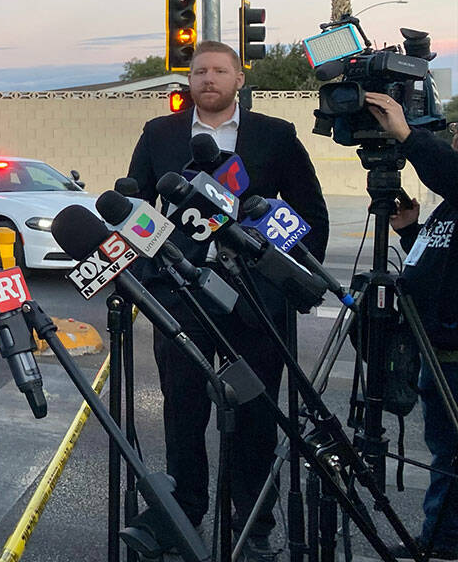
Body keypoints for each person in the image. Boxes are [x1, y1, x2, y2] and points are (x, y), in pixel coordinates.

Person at [127, 41, 330, 562]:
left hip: (256, 303)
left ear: (240, 78)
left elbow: (310, 214)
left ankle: (255, 517)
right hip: (181, 296)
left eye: (220, 70)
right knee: (184, 412)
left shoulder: (274, 136)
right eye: (199, 72)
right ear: (189, 80)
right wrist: (154, 274)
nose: (208, 79)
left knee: (255, 412)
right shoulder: (160, 134)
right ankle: (185, 510)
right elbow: (137, 208)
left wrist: (286, 279)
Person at [367, 93, 458, 560]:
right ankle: (442, 541)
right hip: (437, 352)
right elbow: (438, 263)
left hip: (453, 358)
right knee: (448, 455)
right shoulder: (449, 206)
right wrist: (409, 231)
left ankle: (442, 543)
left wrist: (407, 134)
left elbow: (449, 170)